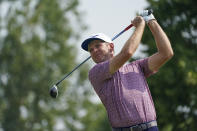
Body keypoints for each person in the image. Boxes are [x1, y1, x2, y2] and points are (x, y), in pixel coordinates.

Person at [81, 11, 173, 131]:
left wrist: (151, 21)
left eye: (98, 45)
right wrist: (140, 26)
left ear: (111, 46)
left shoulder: (137, 67)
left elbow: (166, 53)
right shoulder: (95, 73)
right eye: (91, 50)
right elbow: (127, 53)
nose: (94, 51)